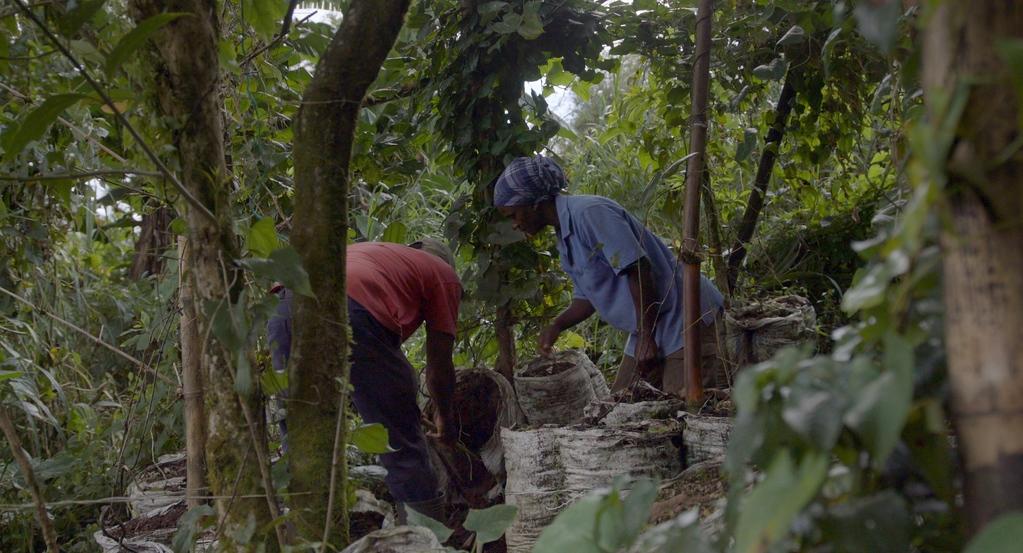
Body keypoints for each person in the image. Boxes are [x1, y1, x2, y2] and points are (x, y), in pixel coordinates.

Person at [493, 155, 726, 397]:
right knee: (621, 407)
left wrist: (646, 339)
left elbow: (638, 268)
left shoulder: (589, 214)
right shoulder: (564, 236)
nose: (514, 225)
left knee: (686, 407)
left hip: (684, 316)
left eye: (513, 215)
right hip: (649, 326)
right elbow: (588, 297)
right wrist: (557, 325)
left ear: (534, 203)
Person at [267, 238, 461, 523]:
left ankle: (310, 533)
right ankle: (427, 537)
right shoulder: (443, 275)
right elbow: (439, 368)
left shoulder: (380, 254)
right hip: (350, 306)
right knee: (400, 443)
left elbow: (377, 365)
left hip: (284, 305)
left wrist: (398, 398)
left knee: (300, 436)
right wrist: (447, 419)